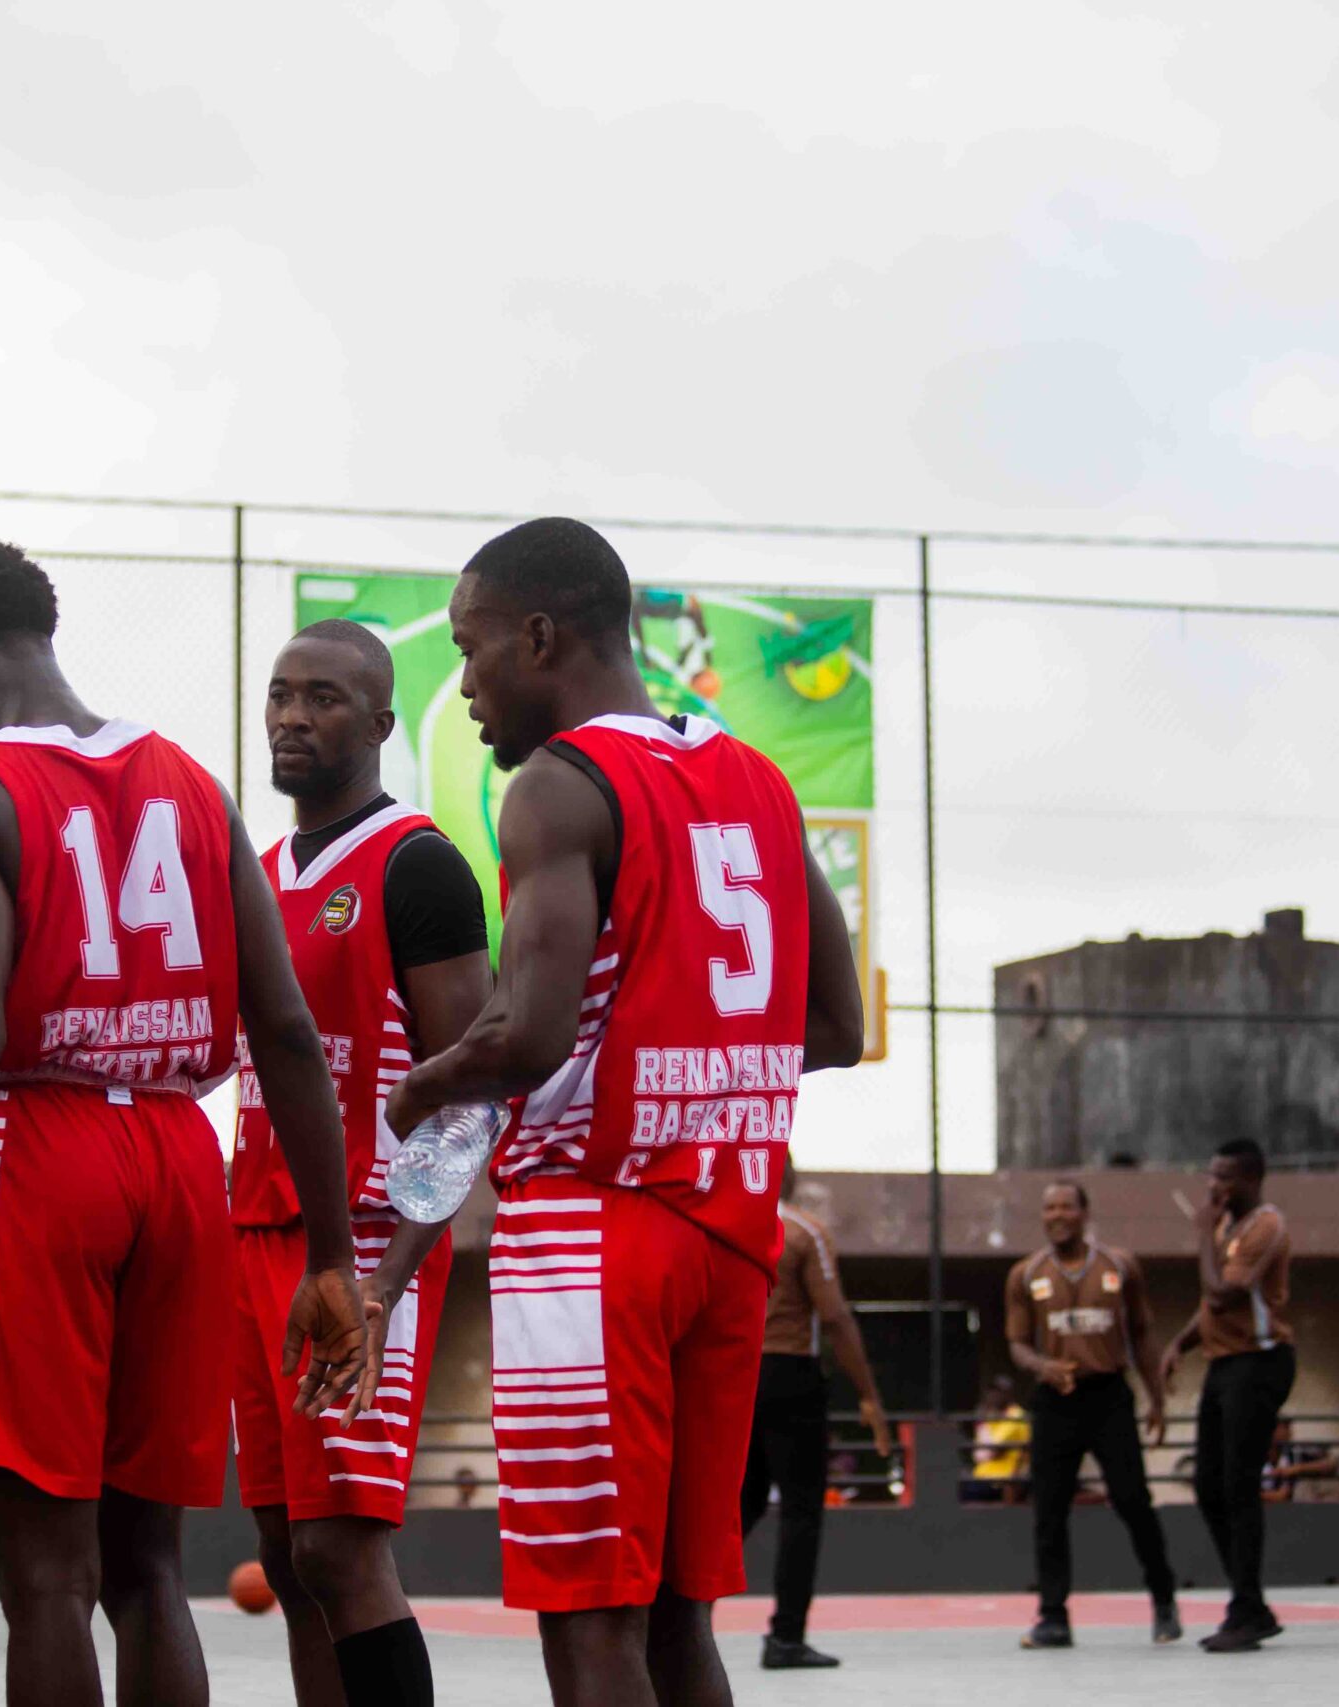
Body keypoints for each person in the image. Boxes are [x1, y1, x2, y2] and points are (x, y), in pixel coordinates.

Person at [0, 536, 372, 1707]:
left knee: (46, 1579)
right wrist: (332, 1257)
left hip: (35, 1150)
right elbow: (285, 1031)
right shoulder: (192, 782)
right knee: (150, 1572)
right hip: (180, 1158)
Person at [374, 518, 865, 1707]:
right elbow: (837, 1028)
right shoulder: (759, 779)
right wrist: (686, 1051)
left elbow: (529, 1039)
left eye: (471, 649)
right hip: (730, 1232)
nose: (465, 683)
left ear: (540, 637)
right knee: (679, 1620)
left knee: (590, 1618)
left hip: (590, 1232)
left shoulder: (557, 783)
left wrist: (421, 1088)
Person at [232, 621, 493, 1707]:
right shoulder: (255, 874)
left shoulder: (416, 865)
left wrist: (385, 1280)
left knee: (342, 1550)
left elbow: (471, 1099)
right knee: (291, 1554)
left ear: (383, 722)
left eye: (324, 698)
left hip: (365, 1244)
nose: (294, 717)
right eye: (281, 694)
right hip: (253, 1229)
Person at [1005, 1180, 1179, 1650]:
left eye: (1066, 1206)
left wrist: (1157, 1398)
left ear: (1084, 1213)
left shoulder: (1120, 1266)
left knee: (1132, 1499)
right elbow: (1017, 1344)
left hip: (1108, 1396)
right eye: (1049, 1208)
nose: (1057, 1215)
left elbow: (1141, 1333)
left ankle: (1164, 1599)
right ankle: (1053, 1617)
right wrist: (1042, 1366)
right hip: (1055, 1399)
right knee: (1049, 1509)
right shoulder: (1025, 1274)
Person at [738, 1165, 894, 1671]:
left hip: (734, 1377)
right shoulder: (803, 1231)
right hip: (789, 1373)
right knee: (801, 1510)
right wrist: (869, 1395)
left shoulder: (725, 1224)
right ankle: (786, 1637)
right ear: (789, 1176)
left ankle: (677, 1620)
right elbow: (834, 1317)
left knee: (737, 1507)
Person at [1158, 1138, 1296, 1654]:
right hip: (1225, 1364)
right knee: (1208, 1485)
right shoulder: (1225, 1228)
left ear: (1251, 1180)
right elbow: (1210, 1309)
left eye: (1224, 1177)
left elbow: (1221, 1294)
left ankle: (1246, 1611)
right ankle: (1251, 1604)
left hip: (1260, 1362)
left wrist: (1200, 1236)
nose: (1213, 1186)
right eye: (1210, 1175)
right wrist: (1179, 1343)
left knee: (1238, 1485)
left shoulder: (1265, 1226)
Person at [967, 1375, 1031, 1503]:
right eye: (991, 1391)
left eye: (999, 1392)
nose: (993, 1395)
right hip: (983, 1475)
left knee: (972, 1491)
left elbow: (992, 1451)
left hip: (1005, 1479)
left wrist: (982, 1424)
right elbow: (977, 1455)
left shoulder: (1016, 1415)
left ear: (1009, 1394)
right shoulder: (993, 1416)